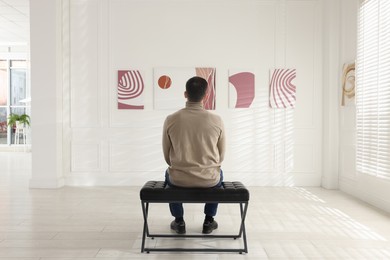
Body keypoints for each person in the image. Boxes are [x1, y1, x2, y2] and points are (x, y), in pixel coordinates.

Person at [162, 76, 226, 235]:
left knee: (168, 173)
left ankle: (179, 221)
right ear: (205, 96)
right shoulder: (217, 120)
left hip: (179, 179)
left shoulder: (171, 119)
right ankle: (209, 220)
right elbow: (221, 156)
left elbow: (166, 155)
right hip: (209, 179)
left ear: (185, 94)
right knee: (219, 173)